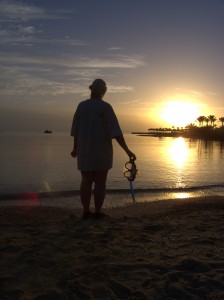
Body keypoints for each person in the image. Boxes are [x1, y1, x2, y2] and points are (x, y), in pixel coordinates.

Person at [71, 79, 136, 219]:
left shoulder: (81, 106)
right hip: (102, 152)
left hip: (84, 151)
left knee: (86, 181)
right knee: (100, 183)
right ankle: (97, 212)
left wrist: (75, 148)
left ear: (91, 89)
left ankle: (86, 212)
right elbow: (116, 132)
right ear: (104, 91)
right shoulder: (106, 107)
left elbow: (75, 130)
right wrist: (127, 151)